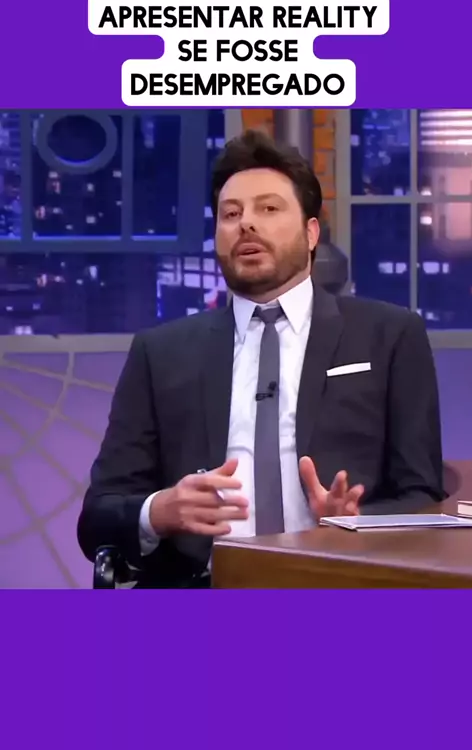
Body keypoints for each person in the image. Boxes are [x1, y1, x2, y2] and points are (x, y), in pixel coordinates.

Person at [77, 129, 445, 588]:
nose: (246, 224)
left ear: (311, 233)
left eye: (268, 209)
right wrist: (160, 511)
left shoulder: (389, 335)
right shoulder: (160, 351)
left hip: (340, 587)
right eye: (231, 214)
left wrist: (356, 526)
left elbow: (423, 496)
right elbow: (98, 517)